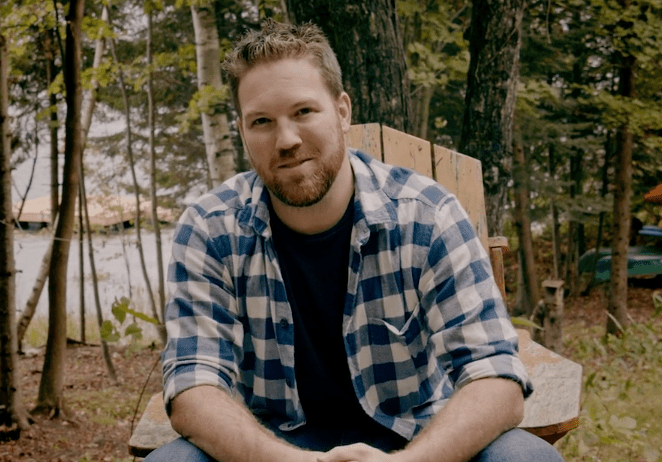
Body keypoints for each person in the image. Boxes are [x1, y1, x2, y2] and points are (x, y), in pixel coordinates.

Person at [146, 19, 564, 462]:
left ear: (342, 111)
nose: (286, 140)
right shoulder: (209, 229)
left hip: (417, 440)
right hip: (272, 446)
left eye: (304, 112)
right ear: (243, 130)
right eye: (262, 121)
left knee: (527, 458)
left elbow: (495, 376)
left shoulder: (428, 216)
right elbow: (194, 384)